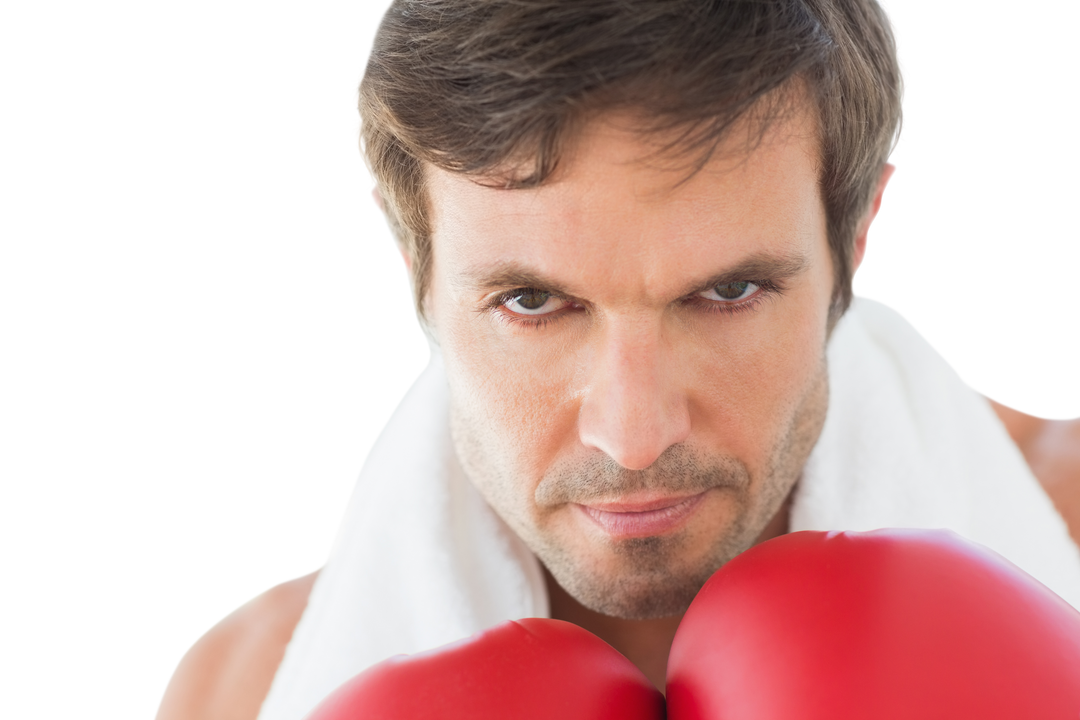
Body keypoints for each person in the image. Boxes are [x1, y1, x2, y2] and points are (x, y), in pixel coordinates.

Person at [153, 1, 1080, 718]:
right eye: (532, 302)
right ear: (415, 267)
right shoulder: (247, 694)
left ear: (860, 232)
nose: (633, 438)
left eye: (727, 294)